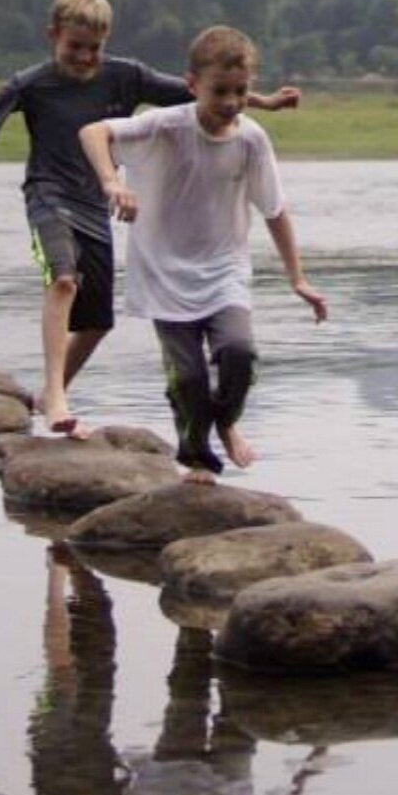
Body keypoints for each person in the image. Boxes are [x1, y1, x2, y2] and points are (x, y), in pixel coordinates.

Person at [0, 0, 298, 436]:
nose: (83, 57)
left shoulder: (125, 76)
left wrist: (266, 102)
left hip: (96, 204)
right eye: (73, 47)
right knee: (63, 279)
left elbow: (203, 91)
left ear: (106, 40)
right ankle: (57, 396)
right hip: (49, 194)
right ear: (53, 36)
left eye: (93, 48)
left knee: (97, 322)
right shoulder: (31, 82)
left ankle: (47, 396)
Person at [78, 25, 327, 481]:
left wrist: (298, 278)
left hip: (224, 272)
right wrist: (112, 182)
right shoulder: (166, 126)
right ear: (192, 86)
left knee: (239, 351)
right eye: (220, 92)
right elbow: (94, 132)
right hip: (164, 273)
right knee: (189, 378)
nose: (231, 103)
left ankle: (227, 421)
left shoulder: (251, 139)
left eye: (241, 92)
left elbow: (275, 210)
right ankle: (195, 455)